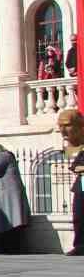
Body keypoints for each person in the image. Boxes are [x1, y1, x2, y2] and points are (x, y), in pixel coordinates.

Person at [0, 142, 31, 254]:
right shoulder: (4, 156)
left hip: (10, 194)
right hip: (5, 194)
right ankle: (7, 247)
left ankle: (13, 247)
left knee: (13, 220)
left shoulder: (2, 155)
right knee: (5, 220)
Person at [56, 108, 84, 256]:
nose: (63, 130)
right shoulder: (77, 143)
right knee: (79, 214)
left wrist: (80, 167)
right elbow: (75, 163)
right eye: (60, 126)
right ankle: (80, 245)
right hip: (82, 184)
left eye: (66, 125)